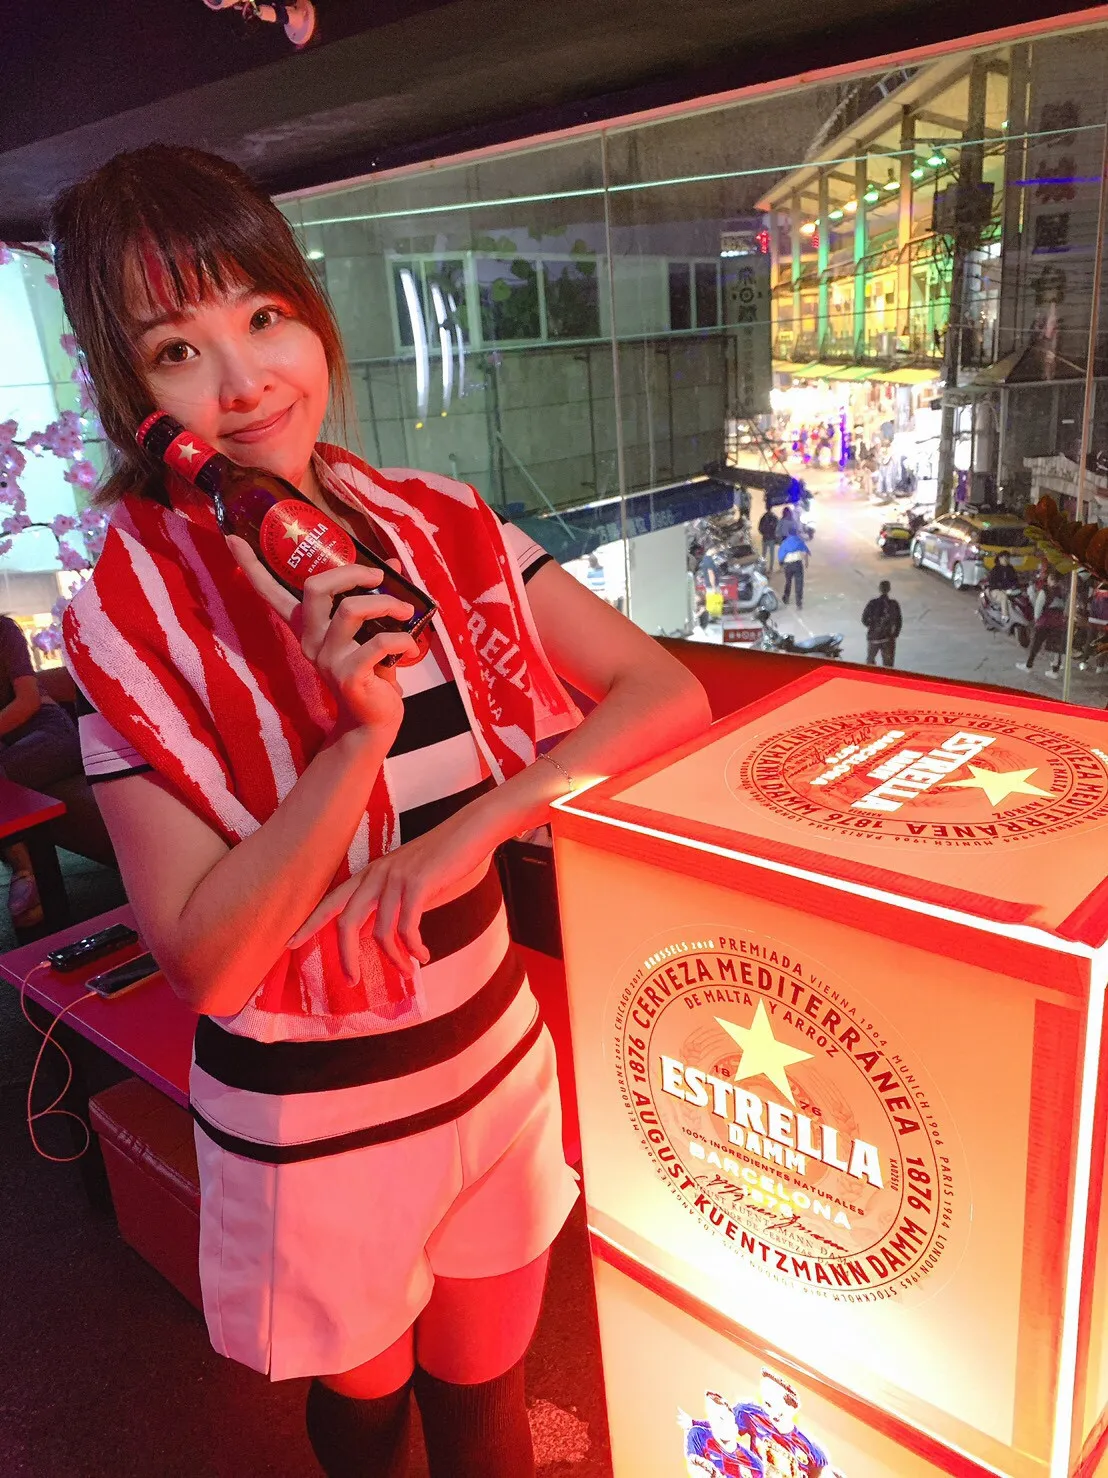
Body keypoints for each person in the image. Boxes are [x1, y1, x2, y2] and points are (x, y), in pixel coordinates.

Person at [53, 145, 712, 1478]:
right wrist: (352, 740)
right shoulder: (128, 621)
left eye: (264, 316)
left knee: (489, 1400)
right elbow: (209, 960)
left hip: (490, 1048)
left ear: (311, 317)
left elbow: (666, 693)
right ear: (133, 397)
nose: (246, 381)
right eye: (177, 349)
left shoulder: (438, 524)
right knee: (368, 1416)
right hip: (312, 1105)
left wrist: (471, 830)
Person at [0, 616, 82, 926]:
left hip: (49, 732)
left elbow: (28, 701)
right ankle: (27, 875)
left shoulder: (4, 630)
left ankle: (26, 872)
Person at [735, 1371, 835, 1478]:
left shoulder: (812, 1451)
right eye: (768, 1404)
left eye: (778, 1406)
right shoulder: (750, 1413)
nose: (773, 1413)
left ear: (792, 1407)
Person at [1017, 573, 1067, 677]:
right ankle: (1054, 671)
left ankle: (1029, 665)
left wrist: (1036, 619)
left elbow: (1038, 607)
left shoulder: (1045, 591)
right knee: (1056, 647)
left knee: (1036, 644)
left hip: (1045, 622)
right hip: (1059, 622)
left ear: (1051, 579)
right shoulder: (1063, 592)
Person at [861, 579, 902, 666]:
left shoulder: (872, 603)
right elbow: (899, 621)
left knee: (870, 661)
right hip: (888, 638)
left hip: (874, 637)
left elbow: (864, 619)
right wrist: (895, 634)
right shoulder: (894, 604)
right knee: (888, 664)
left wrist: (873, 627)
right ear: (889, 589)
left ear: (879, 589)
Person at [777, 527, 810, 610]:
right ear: (796, 533)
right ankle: (799, 602)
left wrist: (781, 565)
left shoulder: (785, 543)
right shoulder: (799, 541)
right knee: (799, 583)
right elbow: (805, 551)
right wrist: (806, 562)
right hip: (798, 564)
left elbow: (781, 556)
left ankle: (786, 598)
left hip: (788, 565)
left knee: (788, 582)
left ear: (788, 533)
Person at [985, 551, 1020, 624]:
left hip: (1009, 590)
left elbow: (1015, 580)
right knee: (1004, 597)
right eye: (1005, 558)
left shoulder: (1010, 568)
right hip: (996, 590)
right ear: (1000, 558)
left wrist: (1014, 586)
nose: (1006, 560)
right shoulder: (995, 569)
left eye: (1008, 558)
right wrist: (1002, 589)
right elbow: (992, 583)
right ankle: (1005, 616)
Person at [757, 506, 778, 573]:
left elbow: (759, 528)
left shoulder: (763, 517)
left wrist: (764, 533)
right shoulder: (774, 517)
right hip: (771, 538)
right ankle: (770, 568)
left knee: (763, 554)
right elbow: (777, 527)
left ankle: (763, 567)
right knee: (772, 554)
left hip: (765, 538)